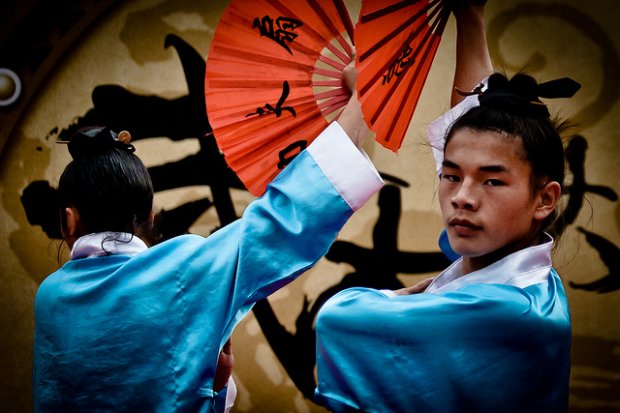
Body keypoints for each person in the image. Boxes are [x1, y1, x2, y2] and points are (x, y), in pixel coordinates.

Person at [32, 69, 383, 411]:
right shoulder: (179, 273)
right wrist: (360, 100)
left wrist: (212, 386)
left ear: (67, 220)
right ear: (150, 215)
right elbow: (280, 223)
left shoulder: (49, 299)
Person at [313, 2, 579, 412]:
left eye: (492, 181)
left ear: (545, 198)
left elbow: (338, 318)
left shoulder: (514, 311)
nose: (462, 196)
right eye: (450, 175)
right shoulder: (520, 271)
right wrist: (471, 17)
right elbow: (472, 129)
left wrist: (405, 298)